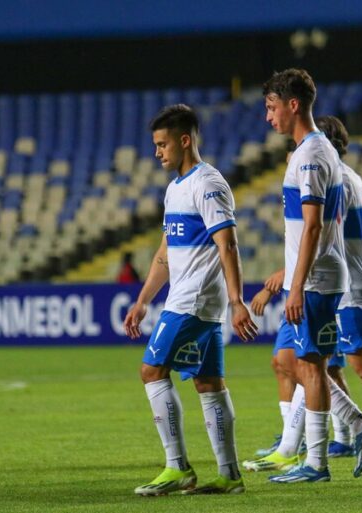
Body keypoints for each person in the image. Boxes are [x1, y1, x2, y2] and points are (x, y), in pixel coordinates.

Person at [249, 116, 362, 471]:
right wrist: (357, 251)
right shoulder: (352, 178)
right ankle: (293, 444)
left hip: (344, 291)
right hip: (349, 283)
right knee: (310, 363)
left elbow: (321, 233)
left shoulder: (334, 179)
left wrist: (297, 272)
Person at [257, 68, 362, 483]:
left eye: (272, 107)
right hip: (323, 276)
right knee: (309, 363)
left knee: (307, 366)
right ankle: (348, 434)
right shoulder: (320, 151)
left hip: (316, 280)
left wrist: (296, 285)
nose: (268, 117)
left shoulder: (310, 155)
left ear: (293, 105)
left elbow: (312, 226)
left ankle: (317, 463)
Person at [123, 104, 258, 496]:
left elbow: (227, 242)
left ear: (185, 141)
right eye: (155, 145)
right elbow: (166, 253)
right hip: (190, 298)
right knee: (208, 382)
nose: (157, 152)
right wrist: (143, 299)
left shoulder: (208, 183)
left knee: (151, 371)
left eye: (163, 144)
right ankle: (230, 475)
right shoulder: (175, 188)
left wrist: (237, 300)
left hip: (195, 299)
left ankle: (177, 466)